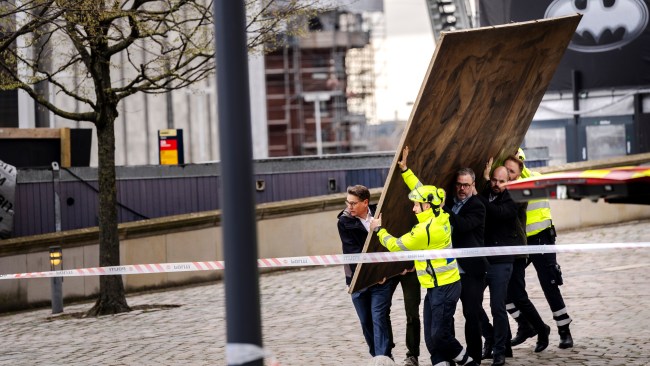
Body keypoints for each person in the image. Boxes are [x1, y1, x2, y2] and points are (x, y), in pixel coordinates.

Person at [369, 146, 478, 366]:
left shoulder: (424, 232)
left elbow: (396, 246)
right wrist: (405, 170)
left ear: (426, 205)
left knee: (439, 335)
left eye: (416, 205)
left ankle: (468, 361)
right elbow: (421, 189)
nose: (413, 209)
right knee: (431, 337)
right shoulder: (440, 213)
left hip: (445, 287)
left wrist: (378, 230)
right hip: (435, 286)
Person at [515, 148, 574, 349]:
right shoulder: (505, 183)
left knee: (550, 284)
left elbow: (523, 175)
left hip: (541, 238)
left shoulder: (533, 178)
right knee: (507, 284)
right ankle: (525, 325)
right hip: (519, 241)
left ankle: (564, 330)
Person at [337, 184, 395, 359]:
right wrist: (372, 232)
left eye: (353, 203)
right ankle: (376, 355)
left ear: (365, 202)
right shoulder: (344, 221)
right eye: (348, 202)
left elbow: (389, 247)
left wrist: (382, 273)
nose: (349, 207)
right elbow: (353, 253)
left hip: (381, 279)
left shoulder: (381, 213)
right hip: (358, 279)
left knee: (379, 317)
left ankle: (383, 358)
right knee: (366, 322)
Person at [501, 155, 550, 353]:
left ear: (520, 174)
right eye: (506, 170)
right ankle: (525, 326)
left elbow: (502, 213)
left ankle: (542, 329)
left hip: (517, 251)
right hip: (504, 250)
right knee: (504, 294)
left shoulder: (518, 192)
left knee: (519, 296)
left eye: (512, 171)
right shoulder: (503, 189)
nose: (508, 174)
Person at [442, 167, 488, 364]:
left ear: (473, 186)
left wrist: (443, 209)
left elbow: (463, 225)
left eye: (466, 185)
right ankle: (451, 355)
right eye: (459, 184)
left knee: (471, 313)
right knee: (448, 314)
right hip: (450, 269)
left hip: (472, 270)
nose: (462, 188)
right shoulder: (451, 202)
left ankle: (475, 357)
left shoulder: (477, 206)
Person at [474, 166, 517, 366]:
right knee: (472, 303)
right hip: (483, 260)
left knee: (497, 307)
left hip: (502, 261)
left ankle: (500, 351)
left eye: (501, 182)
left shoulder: (512, 199)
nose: (496, 185)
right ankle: (490, 337)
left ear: (508, 182)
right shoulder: (486, 193)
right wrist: (482, 182)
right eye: (493, 180)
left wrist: (478, 194)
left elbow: (497, 213)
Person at [389, 265, 422, 366]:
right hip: (388, 266)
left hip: (410, 267)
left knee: (412, 312)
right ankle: (385, 353)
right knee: (381, 311)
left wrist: (416, 262)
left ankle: (413, 355)